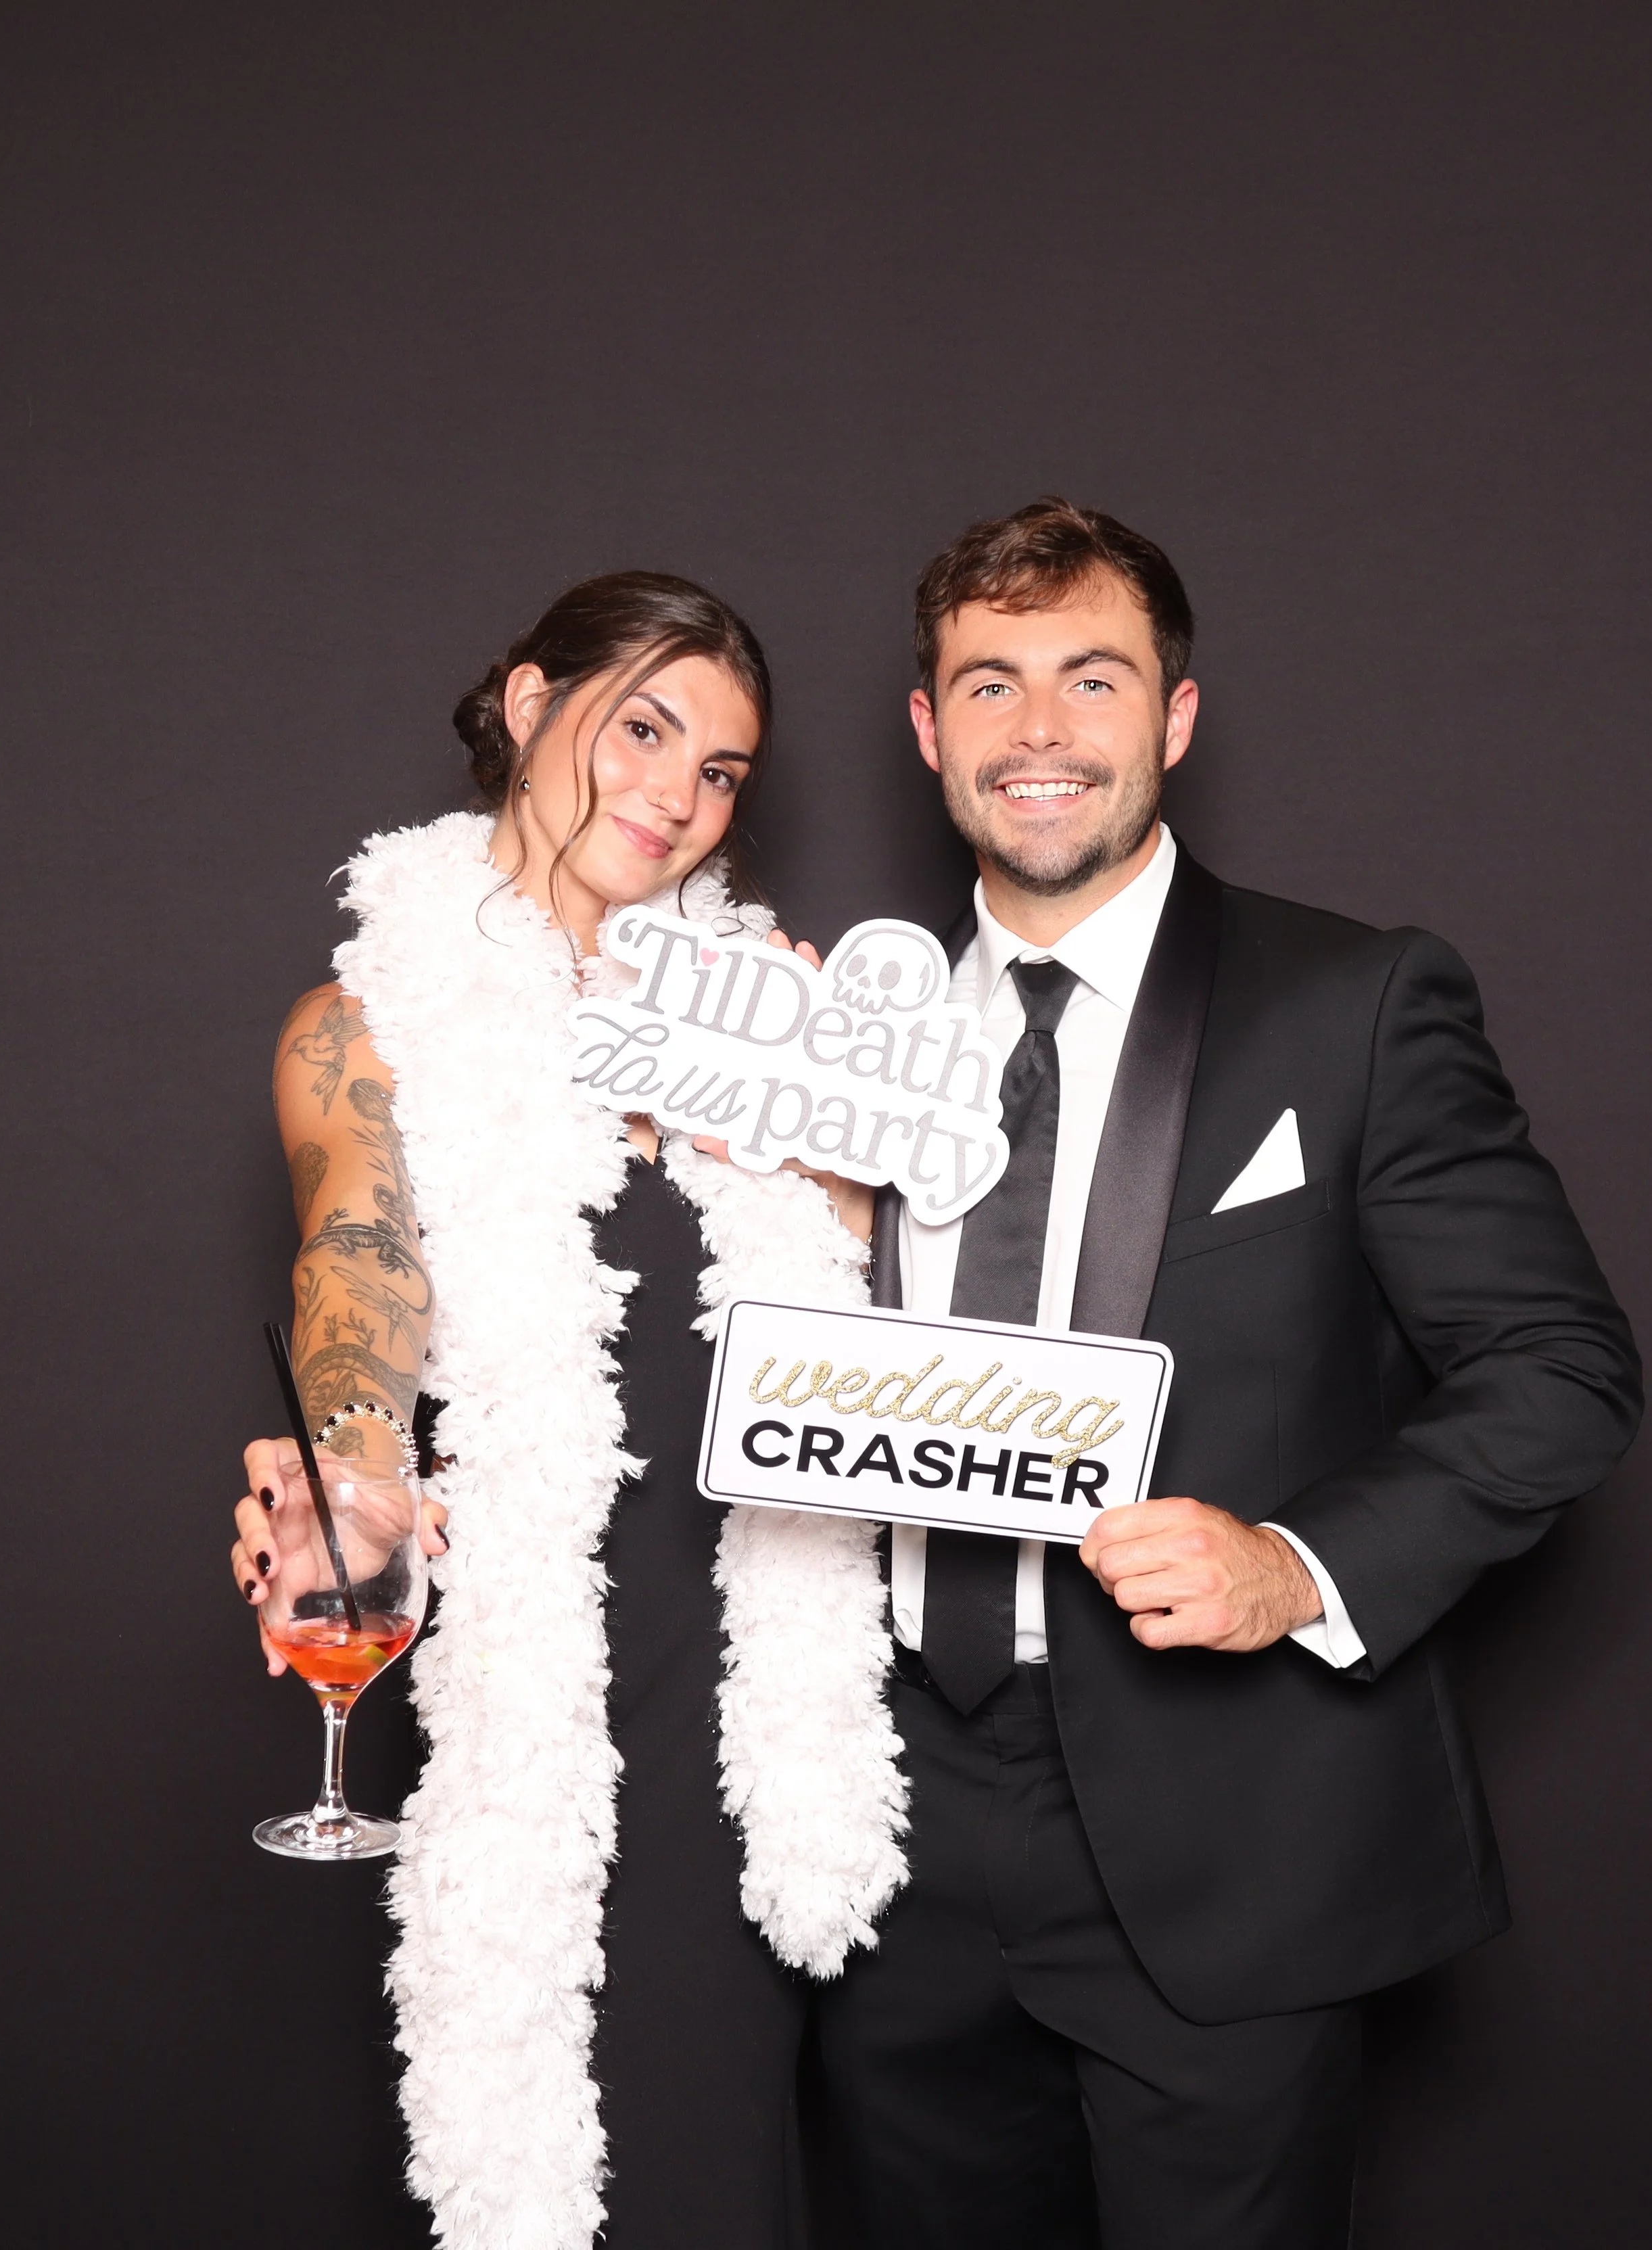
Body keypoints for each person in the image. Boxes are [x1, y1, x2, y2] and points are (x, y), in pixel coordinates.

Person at [811, 498, 1642, 2249]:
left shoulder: (1350, 999)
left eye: (1089, 679)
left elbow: (1560, 1363)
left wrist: (1298, 1563)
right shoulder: (834, 1032)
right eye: (988, 684)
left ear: (1173, 717)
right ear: (924, 728)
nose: (1037, 732)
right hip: (877, 1833)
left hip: (1225, 1829)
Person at [229, 572, 907, 2250]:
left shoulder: (783, 1025)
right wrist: (352, 1475)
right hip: (575, 1684)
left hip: (810, 1677)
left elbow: (907, 1321)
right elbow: (359, 1258)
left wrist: (838, 1121)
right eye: (645, 727)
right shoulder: (368, 1024)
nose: (677, 793)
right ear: (533, 707)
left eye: (724, 769)